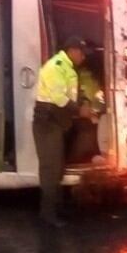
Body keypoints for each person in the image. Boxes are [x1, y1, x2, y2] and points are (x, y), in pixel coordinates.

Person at [33, 36, 87, 228]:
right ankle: (47, 214)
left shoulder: (67, 67)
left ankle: (57, 208)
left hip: (56, 122)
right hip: (47, 122)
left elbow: (68, 95)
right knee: (50, 169)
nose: (83, 57)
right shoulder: (55, 66)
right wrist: (78, 110)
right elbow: (58, 97)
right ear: (72, 50)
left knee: (58, 168)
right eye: (81, 53)